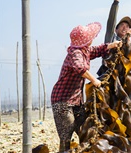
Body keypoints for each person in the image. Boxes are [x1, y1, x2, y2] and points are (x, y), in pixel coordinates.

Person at [51, 22, 121, 153]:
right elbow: (79, 68)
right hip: (62, 101)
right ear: (86, 40)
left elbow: (97, 50)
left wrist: (112, 45)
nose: (92, 39)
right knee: (66, 135)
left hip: (76, 101)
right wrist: (94, 80)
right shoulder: (75, 53)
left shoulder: (85, 50)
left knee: (85, 130)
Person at [97, 0, 131, 76]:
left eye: (128, 26)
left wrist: (128, 41)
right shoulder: (111, 38)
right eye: (122, 25)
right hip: (107, 76)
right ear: (116, 29)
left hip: (123, 78)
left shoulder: (130, 44)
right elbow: (111, 19)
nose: (125, 27)